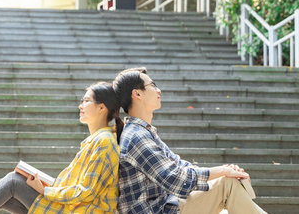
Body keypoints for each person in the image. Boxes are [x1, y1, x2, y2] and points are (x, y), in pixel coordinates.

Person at [0, 82, 122, 214]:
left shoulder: (104, 142)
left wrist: (45, 190)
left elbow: (86, 192)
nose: (80, 105)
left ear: (101, 108)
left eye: (86, 101)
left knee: (14, 181)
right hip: (73, 208)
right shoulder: (96, 140)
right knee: (8, 195)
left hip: (79, 211)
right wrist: (43, 184)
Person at [113, 67, 267, 214]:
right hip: (159, 210)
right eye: (152, 85)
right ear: (137, 94)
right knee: (228, 185)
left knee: (227, 182)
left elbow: (180, 165)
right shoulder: (137, 136)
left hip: (166, 205)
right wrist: (223, 171)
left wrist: (224, 170)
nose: (158, 90)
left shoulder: (143, 132)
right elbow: (174, 178)